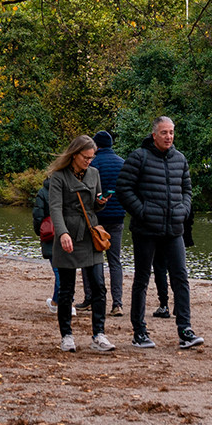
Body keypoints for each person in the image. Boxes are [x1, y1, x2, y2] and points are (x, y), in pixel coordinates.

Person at [116, 116, 201, 349]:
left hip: (174, 229)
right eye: (164, 132)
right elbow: (123, 189)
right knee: (142, 279)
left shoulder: (180, 159)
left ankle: (185, 330)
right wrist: (143, 211)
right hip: (146, 229)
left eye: (171, 132)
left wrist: (183, 210)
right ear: (154, 135)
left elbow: (187, 190)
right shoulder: (138, 157)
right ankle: (139, 332)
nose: (169, 137)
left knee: (180, 278)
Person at [40, 133, 114, 353]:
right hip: (68, 235)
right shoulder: (59, 176)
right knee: (66, 289)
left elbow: (93, 206)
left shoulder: (94, 173)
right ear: (74, 154)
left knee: (99, 286)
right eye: (85, 157)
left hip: (90, 234)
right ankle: (67, 336)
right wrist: (62, 233)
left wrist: (101, 202)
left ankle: (99, 334)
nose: (89, 161)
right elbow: (55, 208)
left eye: (92, 157)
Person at [88, 130, 129, 310]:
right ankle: (117, 303)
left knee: (92, 259)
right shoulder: (122, 163)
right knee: (115, 261)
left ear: (96, 146)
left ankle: (92, 299)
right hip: (117, 217)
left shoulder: (93, 164)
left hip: (97, 218)